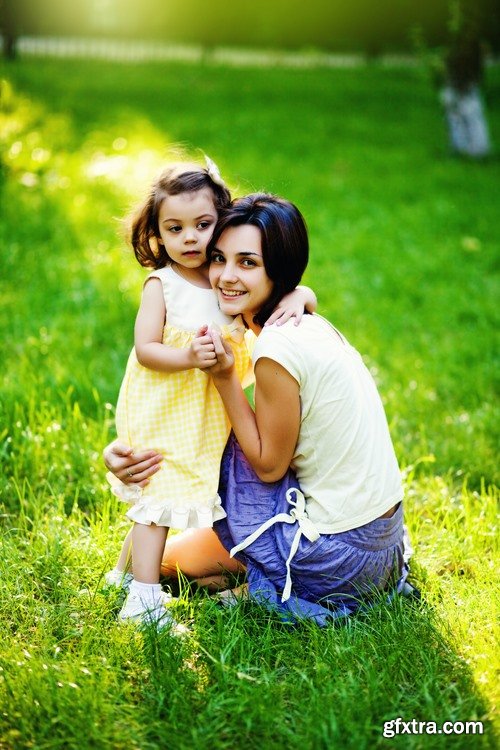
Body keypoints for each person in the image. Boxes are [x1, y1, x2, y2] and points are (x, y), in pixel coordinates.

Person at [105, 192, 408, 627]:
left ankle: (236, 583)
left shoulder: (276, 349)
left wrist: (226, 380)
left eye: (247, 263)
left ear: (278, 272)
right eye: (218, 259)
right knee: (180, 537)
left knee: (170, 559)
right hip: (382, 546)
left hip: (340, 557)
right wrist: (303, 291)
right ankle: (225, 575)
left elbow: (267, 467)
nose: (226, 277)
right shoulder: (304, 321)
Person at [105, 164, 317, 628]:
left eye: (203, 226)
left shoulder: (225, 280)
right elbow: (145, 349)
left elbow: (271, 299)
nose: (190, 239)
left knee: (170, 493)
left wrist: (302, 295)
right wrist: (189, 358)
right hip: (166, 405)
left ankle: (120, 575)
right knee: (157, 496)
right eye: (174, 229)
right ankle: (142, 599)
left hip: (209, 414)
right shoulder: (164, 284)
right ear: (157, 235)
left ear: (221, 220)